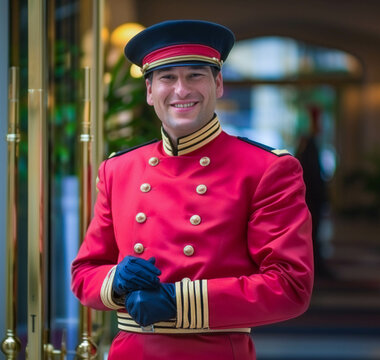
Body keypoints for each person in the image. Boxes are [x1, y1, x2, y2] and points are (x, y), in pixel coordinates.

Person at [71, 20, 314, 360]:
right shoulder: (118, 169)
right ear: (150, 90)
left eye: (195, 75)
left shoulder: (266, 169)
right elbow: (84, 275)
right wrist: (116, 280)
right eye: (167, 77)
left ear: (218, 82)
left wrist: (175, 301)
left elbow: (289, 286)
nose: (181, 90)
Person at [295, 105, 331, 278]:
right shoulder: (309, 145)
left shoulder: (308, 144)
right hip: (310, 200)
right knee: (311, 234)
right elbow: (311, 175)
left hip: (311, 199)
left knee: (313, 234)